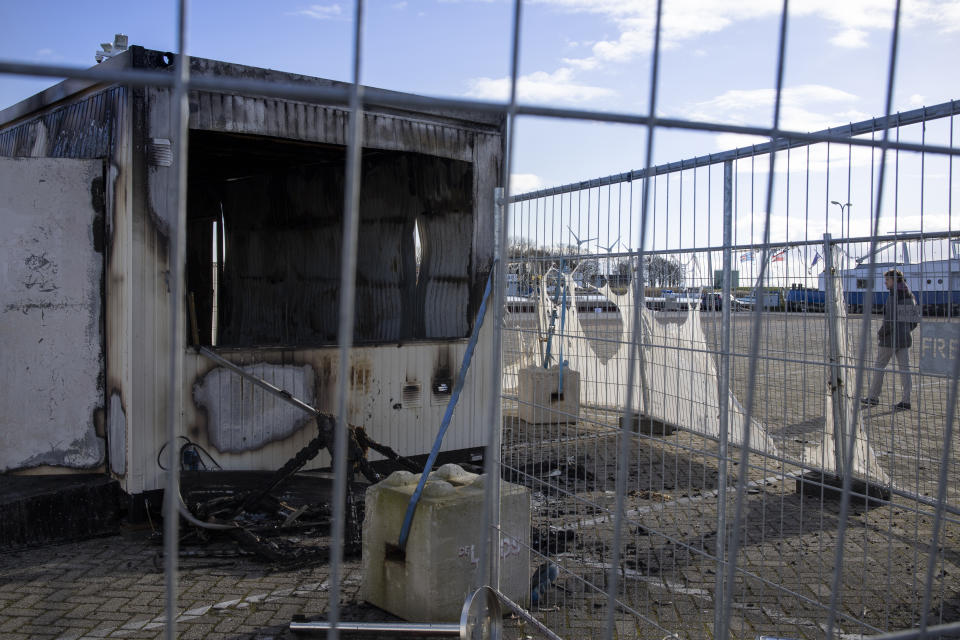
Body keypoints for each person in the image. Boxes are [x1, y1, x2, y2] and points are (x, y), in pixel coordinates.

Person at [862, 269, 920, 410]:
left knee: (879, 366)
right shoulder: (909, 296)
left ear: (894, 280)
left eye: (887, 280)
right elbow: (914, 321)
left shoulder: (893, 297)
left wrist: (881, 333)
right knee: (905, 370)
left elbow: (889, 321)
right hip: (905, 339)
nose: (885, 282)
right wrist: (905, 330)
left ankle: (874, 397)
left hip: (889, 340)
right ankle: (906, 400)